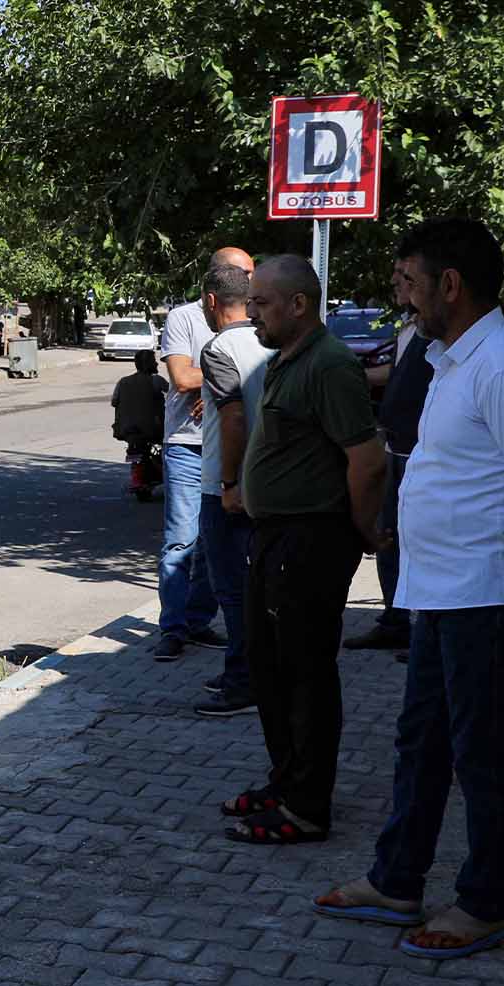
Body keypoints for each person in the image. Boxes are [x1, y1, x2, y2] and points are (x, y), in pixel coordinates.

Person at [313, 218, 504, 959]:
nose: (403, 298)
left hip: (492, 596)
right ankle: (397, 879)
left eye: (409, 282)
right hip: (445, 594)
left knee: (481, 752)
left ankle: (484, 902)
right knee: (421, 742)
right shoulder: (456, 360)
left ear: (450, 284)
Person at [220, 254, 385, 844]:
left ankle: (307, 807)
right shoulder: (287, 359)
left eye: (262, 302)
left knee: (305, 674)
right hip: (275, 537)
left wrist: (365, 531)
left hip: (311, 538)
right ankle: (286, 781)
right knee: (270, 670)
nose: (252, 311)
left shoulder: (331, 365)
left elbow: (367, 461)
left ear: (298, 304)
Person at [151, 246, 254, 662]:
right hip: (188, 446)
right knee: (182, 541)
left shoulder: (253, 319)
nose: (251, 279)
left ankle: (198, 621)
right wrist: (219, 384)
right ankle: (173, 628)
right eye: (243, 273)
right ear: (218, 282)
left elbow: (256, 374)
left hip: (227, 447)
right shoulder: (184, 318)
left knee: (216, 545)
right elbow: (180, 376)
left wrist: (212, 386)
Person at [193, 263, 272, 717]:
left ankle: (244, 684)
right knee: (252, 587)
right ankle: (239, 668)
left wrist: (228, 483)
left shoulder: (220, 347)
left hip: (226, 487)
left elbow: (234, 416)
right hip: (266, 479)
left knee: (233, 591)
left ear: (210, 301)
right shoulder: (269, 340)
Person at [345, 264, 433, 653]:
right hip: (394, 447)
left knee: (420, 540)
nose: (395, 281)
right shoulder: (409, 328)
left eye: (403, 275)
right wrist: (349, 374)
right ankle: (395, 620)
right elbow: (392, 375)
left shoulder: (438, 332)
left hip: (420, 453)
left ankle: (426, 630)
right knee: (388, 537)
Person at [110, 352, 167, 445]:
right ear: (148, 363)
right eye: (154, 361)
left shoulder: (123, 381)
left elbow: (114, 402)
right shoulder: (157, 380)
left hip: (125, 430)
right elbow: (173, 397)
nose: (156, 364)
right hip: (153, 430)